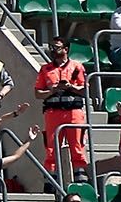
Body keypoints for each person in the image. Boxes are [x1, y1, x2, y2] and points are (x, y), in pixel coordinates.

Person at [32, 37, 89, 182]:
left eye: (56, 47)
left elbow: (85, 90)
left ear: (66, 49)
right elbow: (38, 93)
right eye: (51, 47)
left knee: (77, 145)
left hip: (73, 112)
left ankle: (80, 178)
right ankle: (51, 179)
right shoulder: (45, 69)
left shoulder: (77, 67)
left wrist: (70, 87)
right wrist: (53, 90)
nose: (53, 50)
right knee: (51, 147)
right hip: (53, 112)